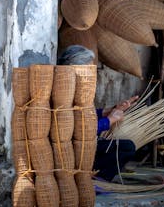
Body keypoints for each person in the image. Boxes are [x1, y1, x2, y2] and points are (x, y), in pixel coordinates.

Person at [59, 45, 139, 181]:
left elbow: (82, 115)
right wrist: (110, 120)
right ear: (75, 68)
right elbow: (80, 131)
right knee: (125, 148)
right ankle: (96, 179)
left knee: (126, 146)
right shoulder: (62, 93)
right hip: (70, 151)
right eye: (88, 69)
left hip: (83, 145)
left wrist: (108, 111)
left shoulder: (76, 88)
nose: (91, 74)